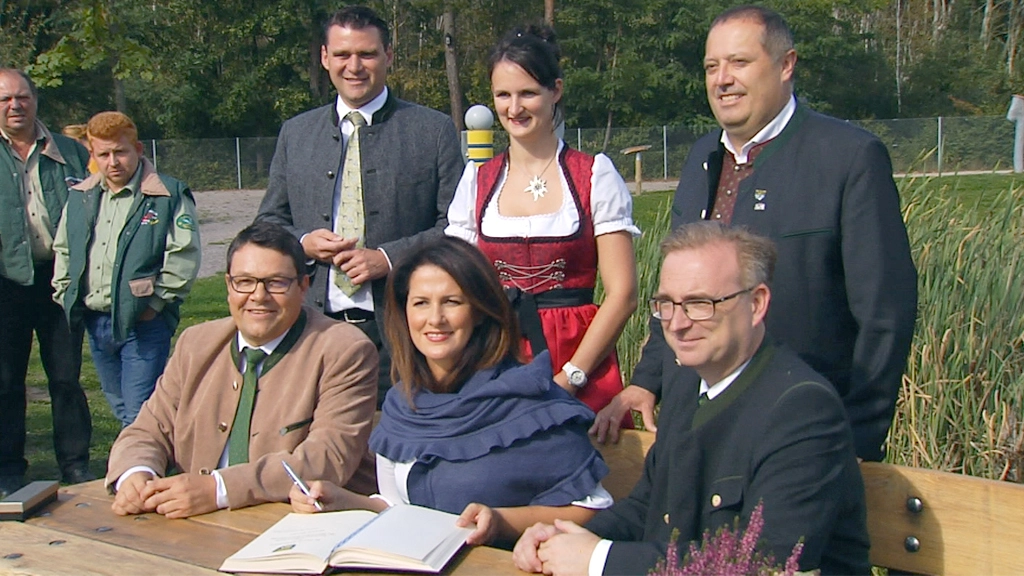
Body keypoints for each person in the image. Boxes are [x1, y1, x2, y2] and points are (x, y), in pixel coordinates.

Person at [592, 5, 918, 463]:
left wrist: (858, 437)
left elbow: (885, 313)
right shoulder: (701, 159)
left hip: (798, 433)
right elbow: (677, 293)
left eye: (739, 63)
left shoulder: (848, 158)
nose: (722, 79)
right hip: (693, 428)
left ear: (786, 65)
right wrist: (648, 382)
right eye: (711, 66)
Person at [514, 222, 870, 575]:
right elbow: (647, 508)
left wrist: (599, 560)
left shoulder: (803, 411)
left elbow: (764, 561)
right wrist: (562, 539)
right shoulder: (688, 384)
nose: (678, 323)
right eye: (666, 304)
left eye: (700, 304)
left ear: (756, 303)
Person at [289, 236, 611, 546]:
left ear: (480, 311)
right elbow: (400, 508)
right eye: (420, 303)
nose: (435, 319)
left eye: (452, 302)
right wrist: (343, 501)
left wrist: (501, 522)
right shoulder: (402, 404)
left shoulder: (534, 405)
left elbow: (593, 510)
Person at [255, 5, 464, 405]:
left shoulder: (432, 131)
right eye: (342, 54)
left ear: (388, 56)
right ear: (324, 57)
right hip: (312, 331)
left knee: (401, 437)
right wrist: (303, 242)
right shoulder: (295, 134)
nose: (354, 67)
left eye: (367, 54)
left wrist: (388, 258)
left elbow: (456, 227)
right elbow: (268, 223)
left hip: (403, 332)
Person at [105, 222, 378, 518]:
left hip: (295, 525)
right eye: (244, 281)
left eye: (276, 282)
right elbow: (147, 430)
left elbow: (328, 458)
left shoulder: (343, 350)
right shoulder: (195, 344)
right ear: (228, 285)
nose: (259, 295)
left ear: (303, 286)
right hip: (191, 526)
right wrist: (136, 474)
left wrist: (218, 490)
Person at [446, 26, 638, 416]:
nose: (514, 108)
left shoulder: (594, 175)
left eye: (528, 93)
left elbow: (623, 294)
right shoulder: (477, 181)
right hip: (496, 356)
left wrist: (572, 376)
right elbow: (456, 284)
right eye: (503, 95)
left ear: (556, 91)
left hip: (580, 357)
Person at [52, 111, 201, 428]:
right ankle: (144, 457)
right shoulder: (80, 196)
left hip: (142, 321)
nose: (113, 162)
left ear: (138, 149)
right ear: (92, 156)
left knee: (139, 412)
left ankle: (146, 460)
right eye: (103, 155)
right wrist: (65, 292)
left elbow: (183, 255)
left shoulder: (166, 195)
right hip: (97, 319)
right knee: (119, 406)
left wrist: (155, 304)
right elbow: (64, 248)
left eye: (120, 152)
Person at [0, 68, 94, 496]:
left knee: (66, 378)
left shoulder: (71, 152)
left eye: (22, 97)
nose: (15, 106)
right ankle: (8, 470)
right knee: (6, 382)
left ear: (35, 99)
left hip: (59, 281)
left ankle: (75, 465)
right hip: (6, 282)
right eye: (5, 99)